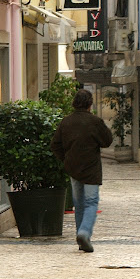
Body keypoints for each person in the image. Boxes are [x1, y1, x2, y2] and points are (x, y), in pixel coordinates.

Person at [50, 89, 113, 253]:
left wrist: (65, 159)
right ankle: (84, 233)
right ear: (90, 104)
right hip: (91, 169)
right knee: (91, 202)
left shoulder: (66, 122)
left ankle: (80, 238)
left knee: (79, 204)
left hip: (73, 168)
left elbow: (55, 145)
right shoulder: (95, 122)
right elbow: (107, 141)